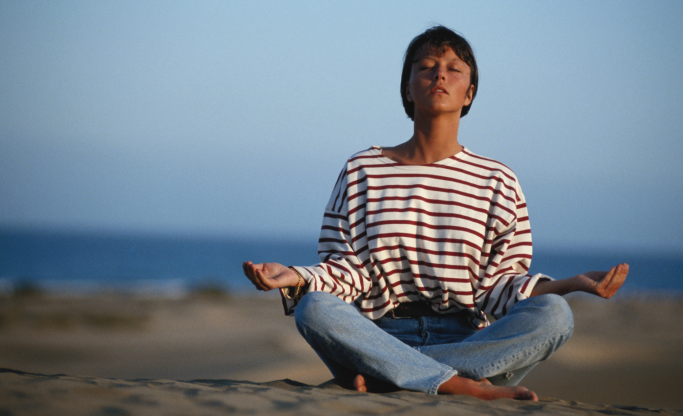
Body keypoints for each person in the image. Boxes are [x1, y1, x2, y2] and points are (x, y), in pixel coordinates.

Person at [243, 26, 628, 401]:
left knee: (556, 315)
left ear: (469, 92)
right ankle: (456, 385)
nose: (439, 74)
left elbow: (500, 288)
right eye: (426, 66)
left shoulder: (496, 180)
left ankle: (397, 377)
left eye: (454, 68)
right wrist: (294, 276)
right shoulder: (363, 169)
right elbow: (349, 272)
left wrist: (574, 283)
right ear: (407, 88)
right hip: (378, 335)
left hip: (469, 342)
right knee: (313, 306)